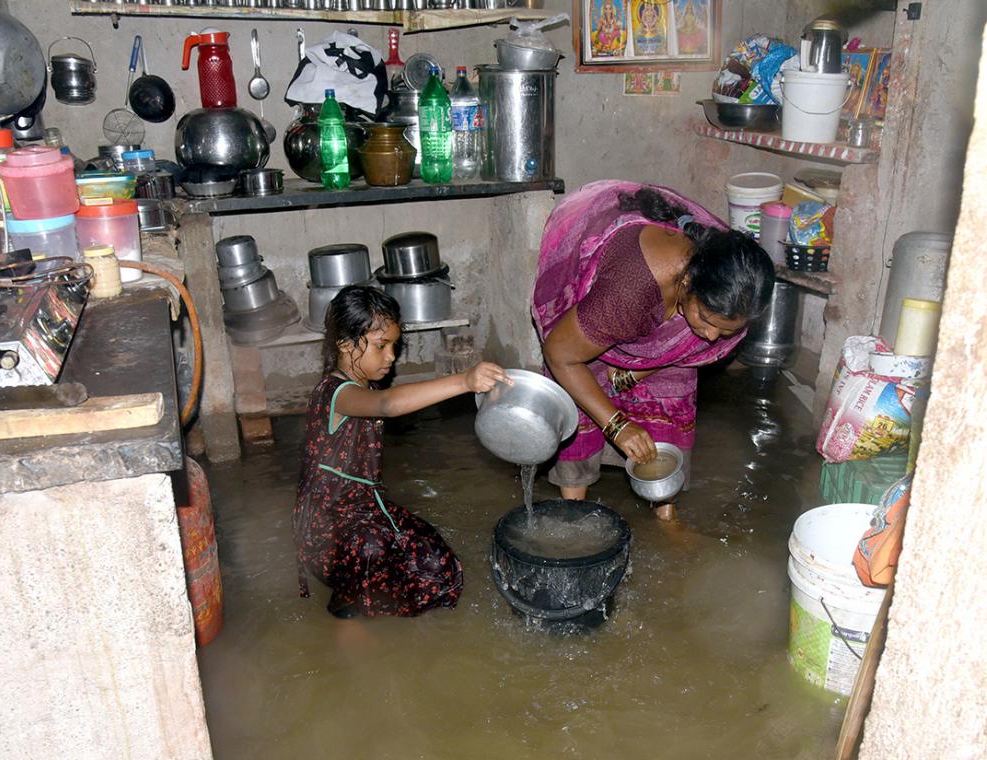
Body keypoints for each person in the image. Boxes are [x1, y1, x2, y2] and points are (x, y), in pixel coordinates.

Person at [532, 180, 774, 520]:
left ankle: (665, 511)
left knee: (671, 390)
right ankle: (574, 508)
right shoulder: (628, 293)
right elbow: (560, 354)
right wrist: (616, 424)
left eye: (726, 331)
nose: (710, 336)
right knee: (585, 390)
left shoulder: (731, 281)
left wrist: (644, 367)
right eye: (705, 319)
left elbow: (688, 349)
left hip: (655, 300)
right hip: (615, 297)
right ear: (687, 283)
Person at [294, 285, 511, 618]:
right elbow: (388, 405)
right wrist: (464, 381)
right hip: (325, 527)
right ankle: (346, 612)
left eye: (394, 345)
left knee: (437, 564)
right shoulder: (335, 394)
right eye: (381, 346)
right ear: (345, 344)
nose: (391, 356)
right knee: (370, 550)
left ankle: (380, 602)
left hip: (364, 509)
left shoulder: (367, 383)